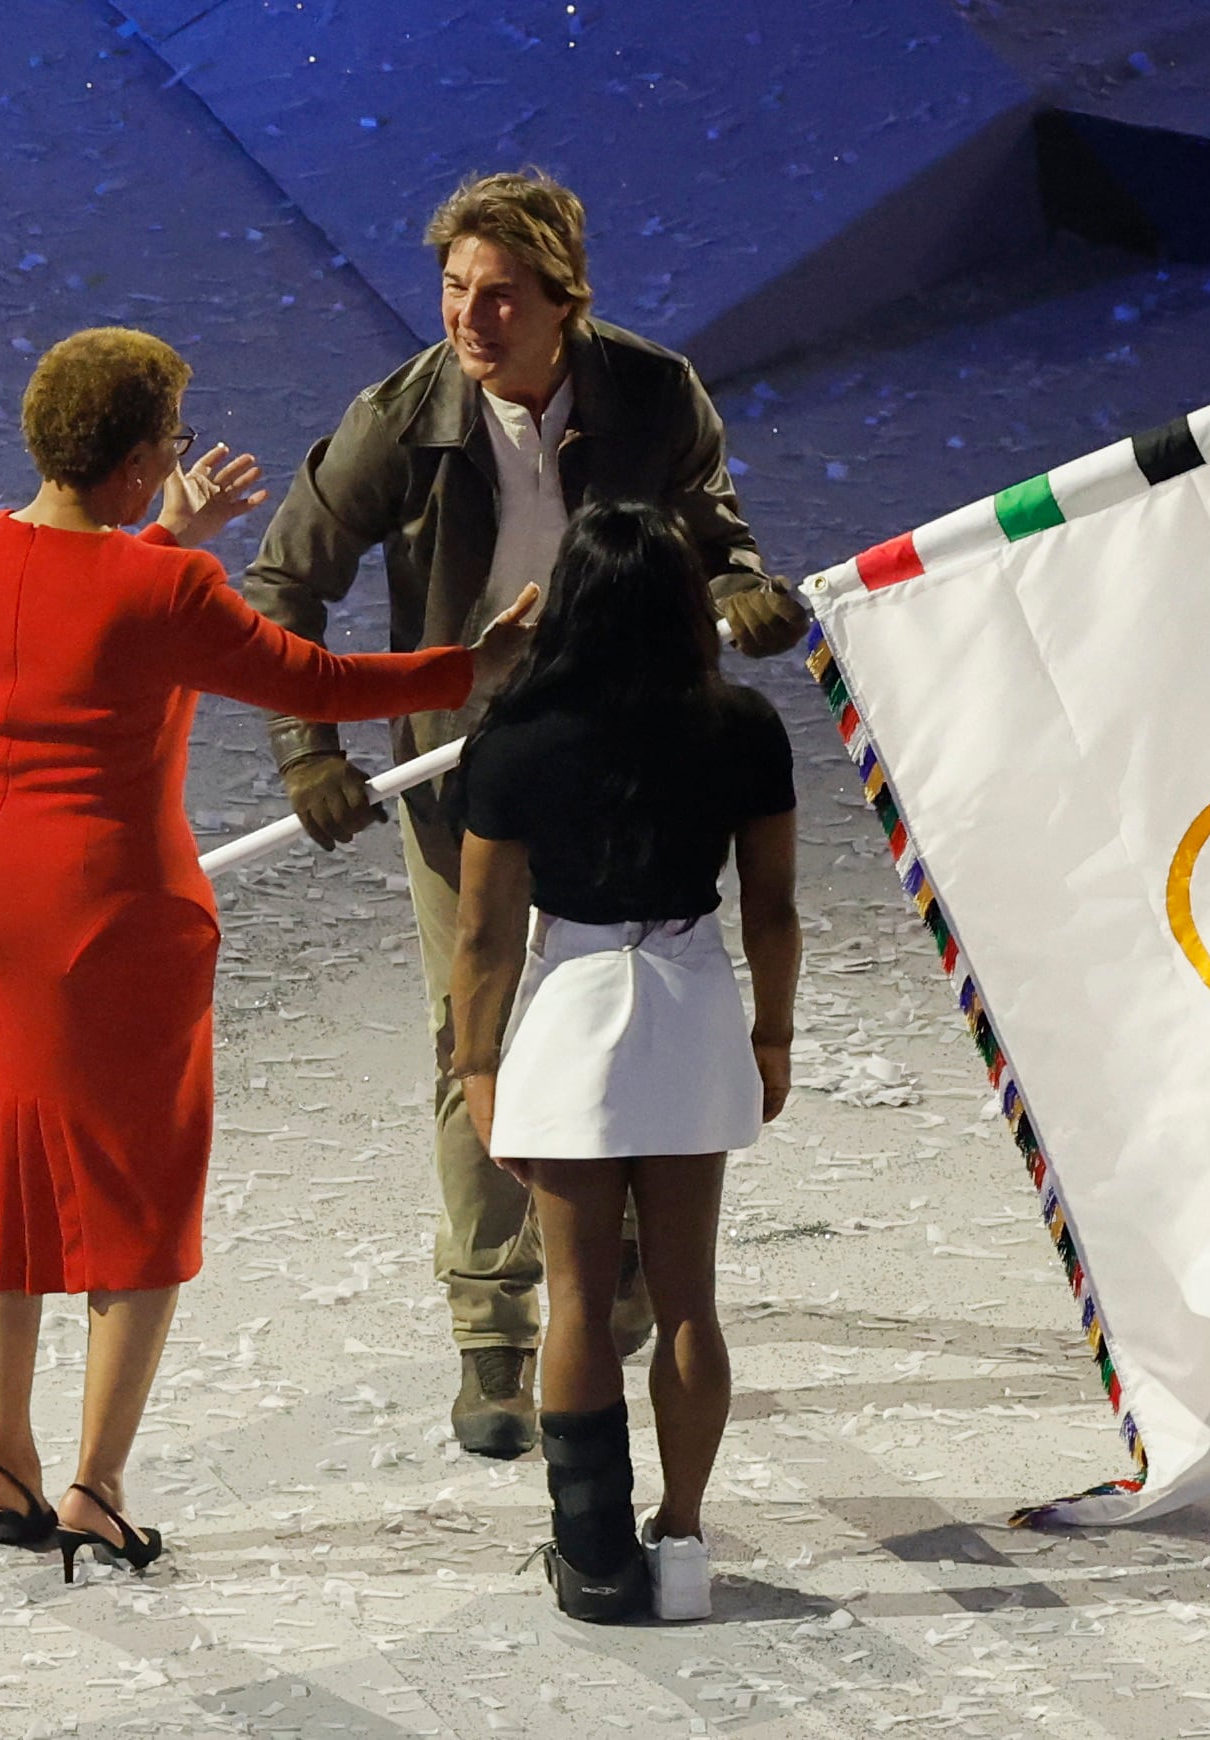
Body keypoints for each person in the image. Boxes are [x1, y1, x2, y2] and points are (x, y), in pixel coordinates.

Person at [0, 327, 535, 1584]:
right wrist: (478, 663)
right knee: (136, 1195)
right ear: (146, 457)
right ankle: (95, 1488)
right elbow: (318, 678)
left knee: (14, 1164)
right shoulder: (169, 596)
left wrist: (161, 532)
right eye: (171, 444)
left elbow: (72, 602)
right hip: (111, 918)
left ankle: (3, 1461)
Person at [242, 170, 809, 1459]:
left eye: (499, 295)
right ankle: (495, 1326)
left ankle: (612, 1272)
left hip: (631, 751)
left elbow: (713, 537)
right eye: (454, 290)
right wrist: (305, 744)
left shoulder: (652, 394)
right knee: (478, 1023)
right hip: (471, 767)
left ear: (566, 303)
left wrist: (747, 590)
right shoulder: (403, 421)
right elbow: (282, 583)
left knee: (629, 1005)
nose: (469, 318)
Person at [448, 501, 801, 1623]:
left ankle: (594, 1556)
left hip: (572, 1010)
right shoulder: (741, 728)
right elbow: (775, 908)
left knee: (578, 1304)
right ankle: (684, 1542)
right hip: (692, 1005)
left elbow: (482, 934)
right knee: (690, 1302)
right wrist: (773, 1036)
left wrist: (478, 1066)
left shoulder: (515, 736)